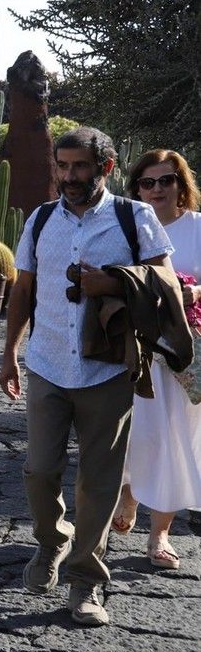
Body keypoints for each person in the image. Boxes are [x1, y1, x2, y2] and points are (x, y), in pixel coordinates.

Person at [0, 127, 174, 626]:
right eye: (64, 166)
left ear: (107, 167)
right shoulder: (40, 221)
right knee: (39, 471)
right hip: (49, 364)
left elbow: (165, 277)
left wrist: (112, 279)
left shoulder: (133, 217)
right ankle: (53, 539)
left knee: (99, 482)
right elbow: (23, 290)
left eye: (80, 166)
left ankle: (85, 581)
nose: (70, 176)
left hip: (109, 368)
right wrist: (10, 351)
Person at [112, 150, 201, 570]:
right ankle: (130, 491)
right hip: (136, 348)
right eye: (148, 182)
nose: (158, 189)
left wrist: (194, 293)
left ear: (181, 183)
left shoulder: (198, 229)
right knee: (135, 432)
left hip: (185, 354)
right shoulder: (126, 231)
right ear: (136, 188)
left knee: (175, 438)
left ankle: (160, 533)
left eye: (166, 180)